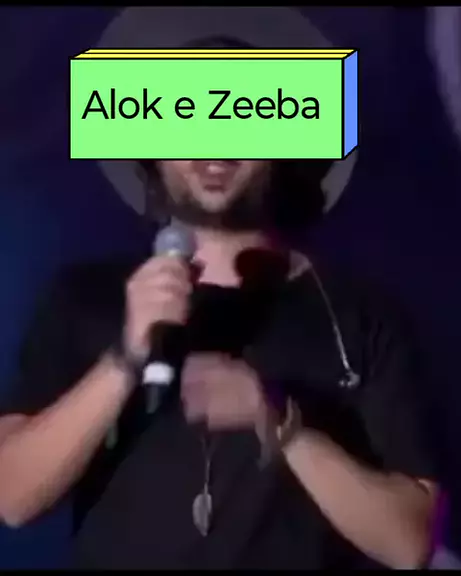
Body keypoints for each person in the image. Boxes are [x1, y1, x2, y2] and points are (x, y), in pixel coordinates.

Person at [0, 30, 439, 570]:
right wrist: (125, 357)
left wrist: (280, 425)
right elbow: (13, 498)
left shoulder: (359, 316)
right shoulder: (85, 298)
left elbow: (409, 544)